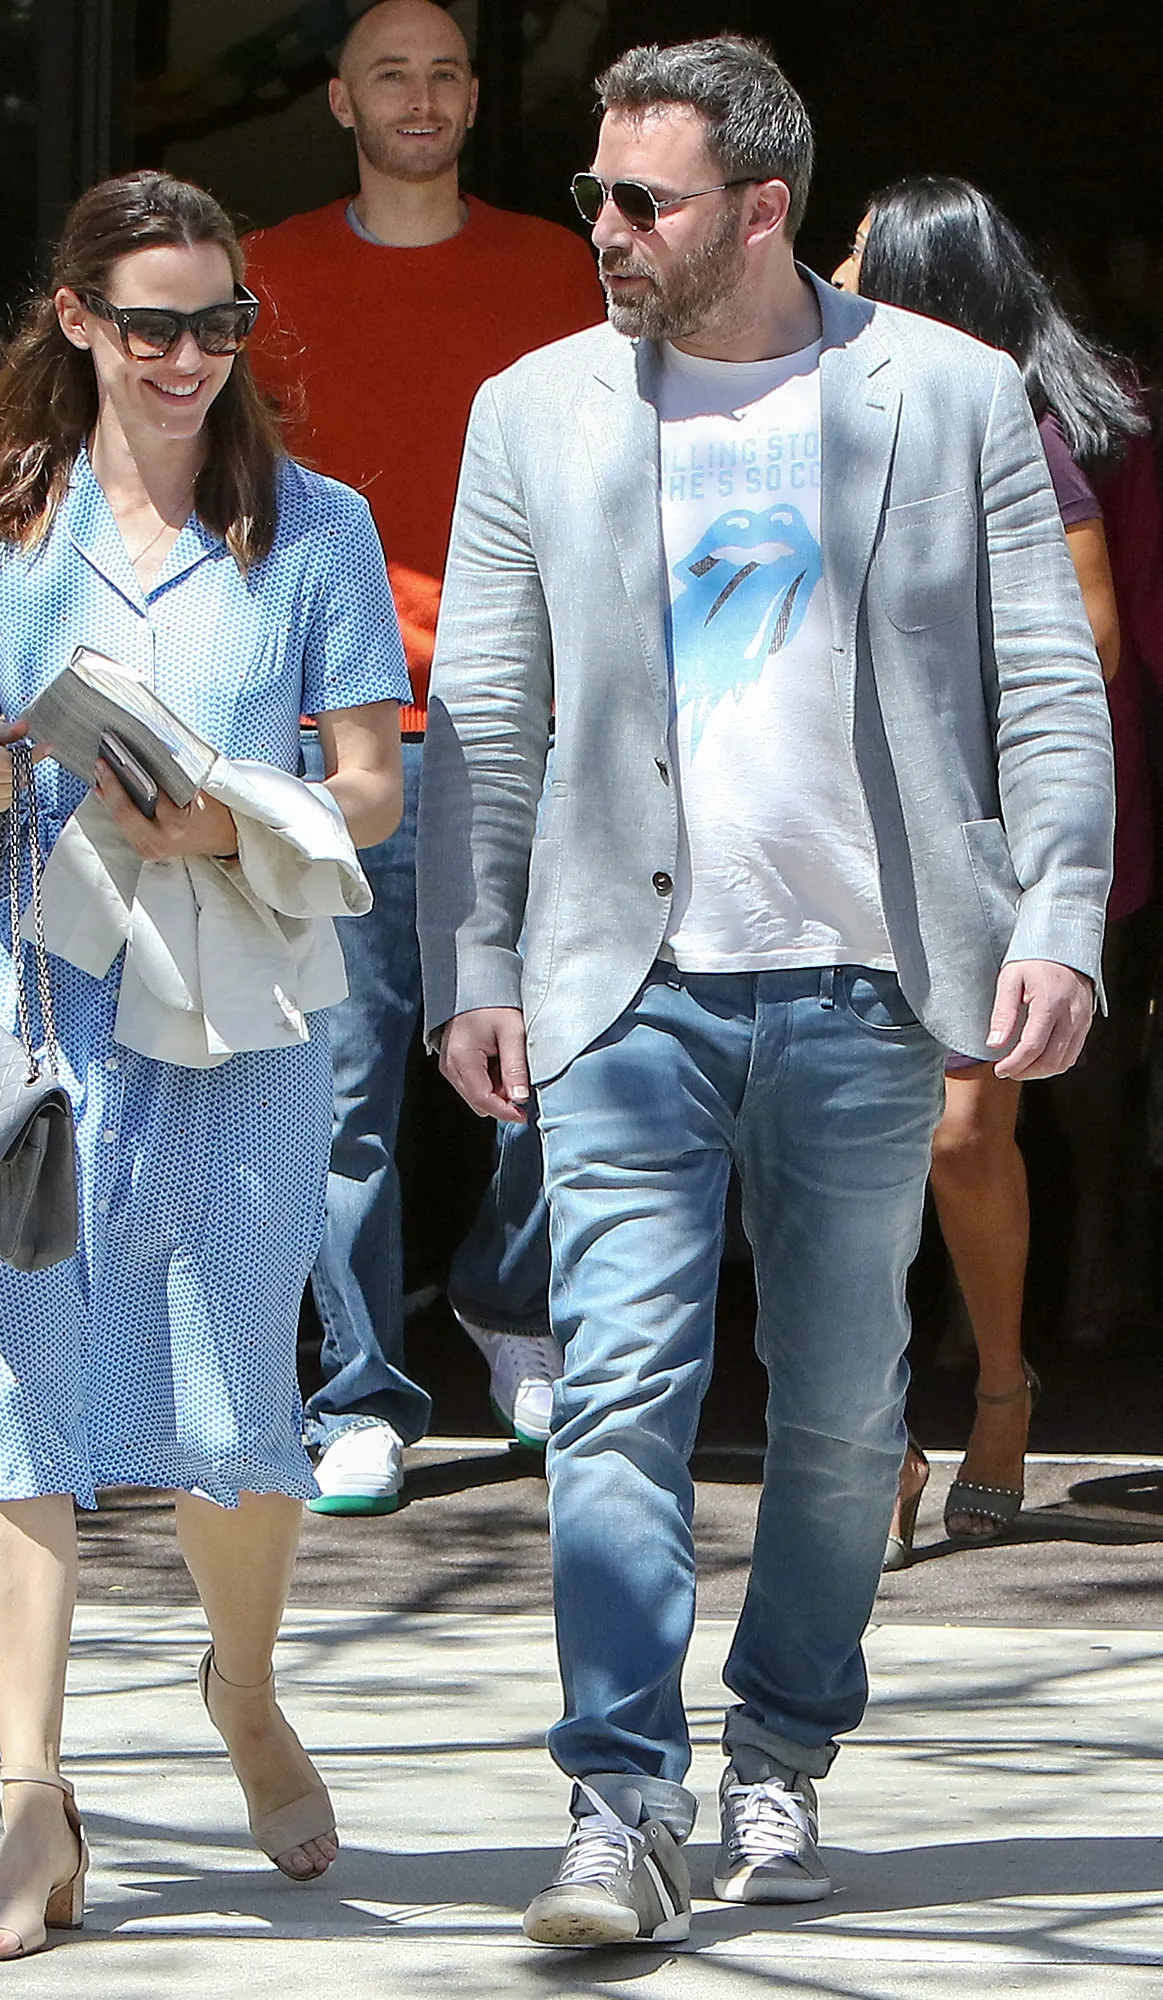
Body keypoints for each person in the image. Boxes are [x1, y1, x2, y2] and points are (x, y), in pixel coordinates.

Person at [417, 36, 1113, 1945]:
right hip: (622, 981)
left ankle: (784, 1747)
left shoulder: (943, 392)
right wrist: (472, 961)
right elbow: (483, 710)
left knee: (837, 1414)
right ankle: (617, 1801)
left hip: (867, 982)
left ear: (760, 208)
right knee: (618, 1390)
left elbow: (1046, 681)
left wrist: (1057, 919)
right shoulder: (534, 408)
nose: (605, 228)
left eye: (642, 200)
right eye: (595, 194)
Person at [0, 169, 408, 1959]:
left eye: (220, 325)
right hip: (29, 1010)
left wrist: (229, 814)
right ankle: (31, 1805)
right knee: (17, 1395)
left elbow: (372, 787)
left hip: (232, 1009)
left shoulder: (316, 529)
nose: (189, 357)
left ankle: (242, 1690)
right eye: (153, 326)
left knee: (234, 1404)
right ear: (79, 323)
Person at [243, 0, 604, 1513]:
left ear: (471, 99)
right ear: (339, 100)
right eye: (389, 73)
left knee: (556, 1055)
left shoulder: (557, 269)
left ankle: (516, 1312)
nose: (421, 95)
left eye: (445, 72)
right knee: (338, 1090)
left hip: (524, 722)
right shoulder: (258, 274)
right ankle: (357, 1393)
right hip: (330, 733)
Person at [833, 176, 1144, 1557]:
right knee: (840, 1142)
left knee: (962, 1134)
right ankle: (880, 1431)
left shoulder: (1013, 423)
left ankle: (1004, 1391)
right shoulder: (808, 412)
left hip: (973, 831)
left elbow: (1094, 636)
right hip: (829, 822)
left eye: (859, 255)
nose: (833, 273)